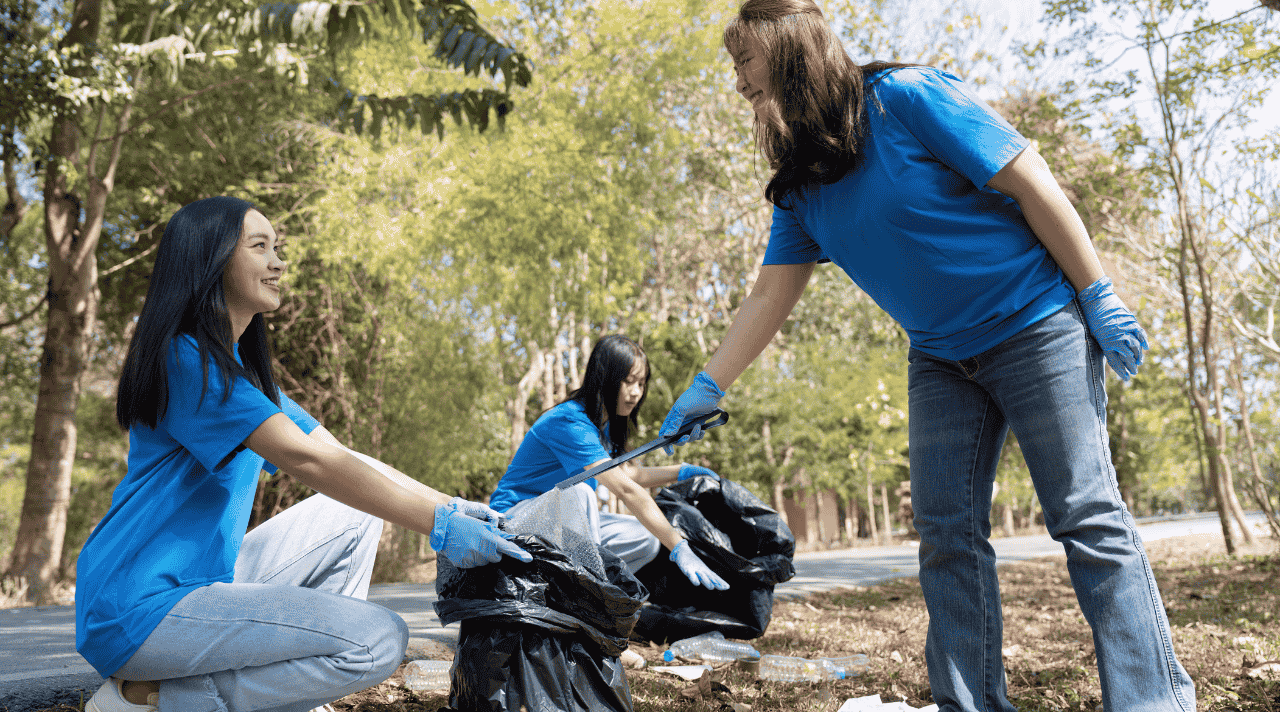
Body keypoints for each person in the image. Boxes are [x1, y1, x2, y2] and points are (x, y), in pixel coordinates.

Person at [659, 2, 1196, 711]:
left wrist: (1097, 292)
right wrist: (708, 384)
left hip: (1035, 323)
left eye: (743, 62)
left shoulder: (904, 98)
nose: (737, 82)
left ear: (788, 50)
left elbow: (1029, 177)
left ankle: (1153, 700)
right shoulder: (801, 182)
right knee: (947, 538)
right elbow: (770, 294)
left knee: (1086, 517)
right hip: (942, 358)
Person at [76, 196, 531, 712]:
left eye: (278, 248)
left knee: (355, 512)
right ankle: (151, 700)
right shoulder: (187, 362)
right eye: (260, 247)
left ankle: (299, 690)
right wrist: (437, 526)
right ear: (211, 260)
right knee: (377, 641)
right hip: (138, 609)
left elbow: (341, 458)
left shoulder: (243, 378)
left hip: (198, 586)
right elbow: (308, 461)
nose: (278, 263)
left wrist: (451, 506)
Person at [489, 334, 729, 590]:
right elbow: (625, 488)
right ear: (605, 378)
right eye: (628, 381)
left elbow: (627, 475)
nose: (636, 392)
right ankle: (592, 595)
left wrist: (682, 472)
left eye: (641, 383)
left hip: (558, 527)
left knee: (646, 539)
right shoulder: (570, 421)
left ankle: (589, 589)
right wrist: (679, 545)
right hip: (512, 522)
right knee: (580, 493)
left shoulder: (604, 424)